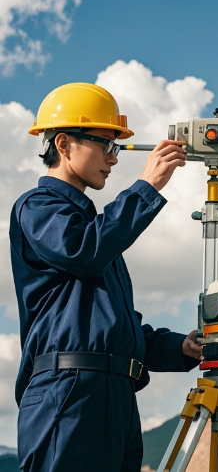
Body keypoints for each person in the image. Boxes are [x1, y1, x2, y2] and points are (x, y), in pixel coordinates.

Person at [9, 82, 204, 472]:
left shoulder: (99, 233)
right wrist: (146, 188)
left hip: (115, 396)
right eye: (106, 144)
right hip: (68, 395)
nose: (113, 159)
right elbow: (84, 251)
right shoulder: (38, 208)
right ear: (63, 144)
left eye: (115, 147)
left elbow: (111, 328)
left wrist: (179, 347)